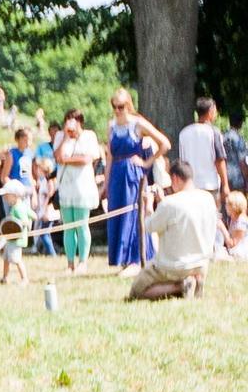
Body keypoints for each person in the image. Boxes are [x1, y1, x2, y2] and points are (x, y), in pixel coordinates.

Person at [129, 161, 219, 300]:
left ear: (175, 178)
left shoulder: (169, 203)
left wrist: (148, 206)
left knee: (136, 292)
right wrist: (162, 202)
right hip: (201, 264)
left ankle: (181, 286)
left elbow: (149, 226)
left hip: (172, 267)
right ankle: (192, 283)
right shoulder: (208, 199)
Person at [105, 88, 170, 272]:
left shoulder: (138, 124)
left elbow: (165, 143)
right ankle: (123, 259)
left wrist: (146, 161)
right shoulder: (111, 126)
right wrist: (106, 183)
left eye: (121, 107)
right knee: (117, 214)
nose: (117, 110)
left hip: (132, 174)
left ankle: (135, 259)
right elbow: (109, 156)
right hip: (117, 173)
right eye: (115, 107)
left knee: (132, 215)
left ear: (128, 105)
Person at [53, 109, 102, 271]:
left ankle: (83, 261)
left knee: (82, 225)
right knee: (68, 226)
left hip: (83, 186)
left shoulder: (89, 136)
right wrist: (66, 137)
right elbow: (58, 157)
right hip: (66, 186)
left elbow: (87, 159)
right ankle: (69, 262)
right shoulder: (61, 136)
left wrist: (68, 160)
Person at [178, 98, 227, 218]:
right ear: (210, 112)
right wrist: (225, 184)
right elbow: (219, 160)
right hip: (210, 185)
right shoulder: (213, 132)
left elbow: (182, 161)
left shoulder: (184, 133)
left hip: (190, 184)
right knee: (211, 219)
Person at [0, 179, 32, 284]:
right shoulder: (21, 207)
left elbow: (25, 221)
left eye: (7, 195)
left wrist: (23, 223)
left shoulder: (17, 209)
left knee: (17, 260)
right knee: (6, 259)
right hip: (10, 239)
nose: (5, 198)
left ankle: (24, 278)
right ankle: (5, 277)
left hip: (16, 240)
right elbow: (33, 215)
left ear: (14, 195)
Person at [225, 191, 248, 260]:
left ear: (233, 206)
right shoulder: (233, 219)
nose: (225, 206)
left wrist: (222, 228)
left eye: (227, 204)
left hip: (241, 254)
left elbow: (232, 244)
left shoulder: (241, 221)